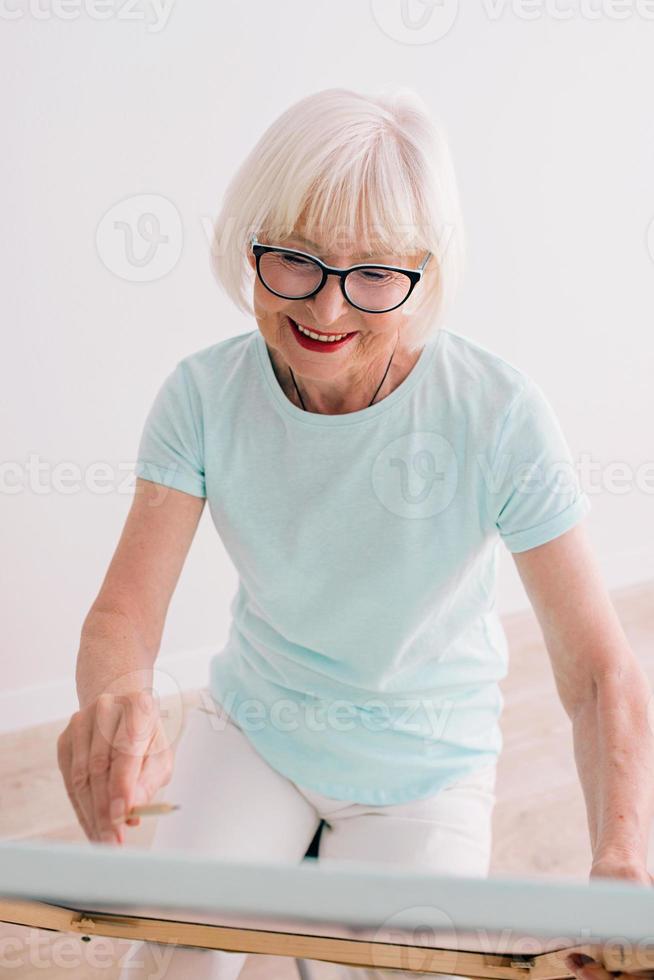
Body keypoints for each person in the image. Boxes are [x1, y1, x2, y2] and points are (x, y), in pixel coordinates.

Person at [56, 87, 654, 980]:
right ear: (248, 246)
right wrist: (115, 700)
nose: (326, 311)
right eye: (293, 260)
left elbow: (599, 672)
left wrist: (622, 861)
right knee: (179, 958)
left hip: (427, 766)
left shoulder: (498, 414)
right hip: (257, 727)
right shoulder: (201, 396)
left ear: (425, 272)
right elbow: (123, 618)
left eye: (373, 273)